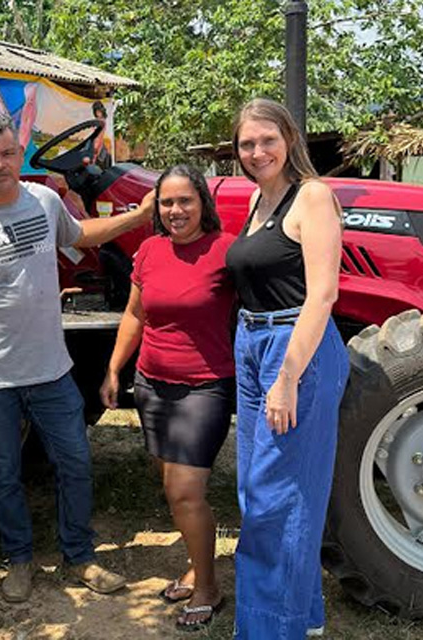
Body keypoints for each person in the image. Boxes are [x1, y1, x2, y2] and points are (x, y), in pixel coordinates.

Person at [0, 112, 155, 603]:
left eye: (8, 154)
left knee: (74, 463)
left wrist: (138, 218)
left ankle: (80, 556)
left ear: (19, 155)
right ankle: (19, 560)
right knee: (3, 475)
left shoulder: (46, 201)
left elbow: (81, 235)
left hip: (52, 371)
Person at [224, 98, 350, 639]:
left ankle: (269, 631)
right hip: (253, 342)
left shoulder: (313, 196)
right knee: (260, 490)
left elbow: (322, 295)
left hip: (294, 348)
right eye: (247, 144)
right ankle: (300, 615)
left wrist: (287, 377)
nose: (257, 152)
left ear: (290, 139)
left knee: (277, 498)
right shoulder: (258, 199)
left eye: (267, 140)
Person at [99, 164, 235, 631]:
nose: (176, 210)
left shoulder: (226, 251)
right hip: (152, 385)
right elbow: (135, 315)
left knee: (184, 492)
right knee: (176, 492)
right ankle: (198, 565)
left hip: (205, 386)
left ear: (203, 203)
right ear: (156, 208)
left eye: (185, 201)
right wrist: (114, 368)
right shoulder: (150, 250)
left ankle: (208, 588)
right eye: (167, 202)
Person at [91, 101, 113, 171]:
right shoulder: (99, 121)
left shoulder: (101, 122)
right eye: (96, 111)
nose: (98, 113)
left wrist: (96, 148)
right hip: (102, 145)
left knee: (100, 167)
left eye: (99, 111)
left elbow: (100, 136)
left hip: (102, 145)